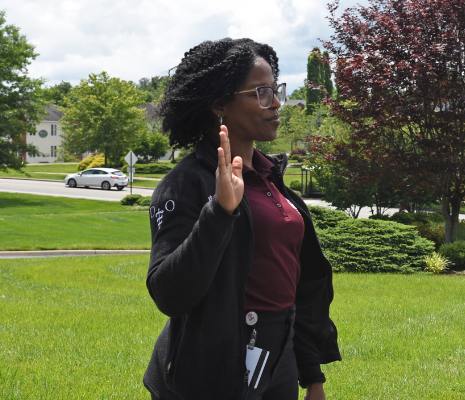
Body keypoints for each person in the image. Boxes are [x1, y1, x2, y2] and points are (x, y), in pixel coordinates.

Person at [143, 38, 341, 399]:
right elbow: (169, 294)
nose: (277, 103)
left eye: (275, 90)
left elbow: (300, 283)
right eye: (261, 93)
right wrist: (219, 212)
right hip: (210, 370)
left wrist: (311, 373)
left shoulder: (272, 178)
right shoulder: (186, 184)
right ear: (220, 103)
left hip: (277, 356)